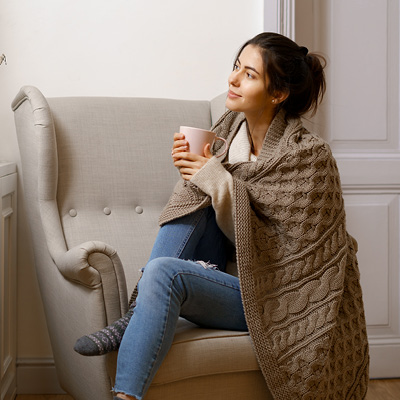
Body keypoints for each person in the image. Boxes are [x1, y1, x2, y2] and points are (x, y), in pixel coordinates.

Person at [74, 32, 370, 400]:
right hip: (227, 277)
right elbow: (221, 215)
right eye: (235, 67)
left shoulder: (310, 156)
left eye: (249, 74)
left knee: (162, 273)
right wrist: (196, 173)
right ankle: (135, 314)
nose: (232, 79)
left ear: (277, 94)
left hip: (275, 295)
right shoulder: (227, 135)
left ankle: (126, 365)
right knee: (195, 198)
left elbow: (292, 260)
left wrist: (211, 176)